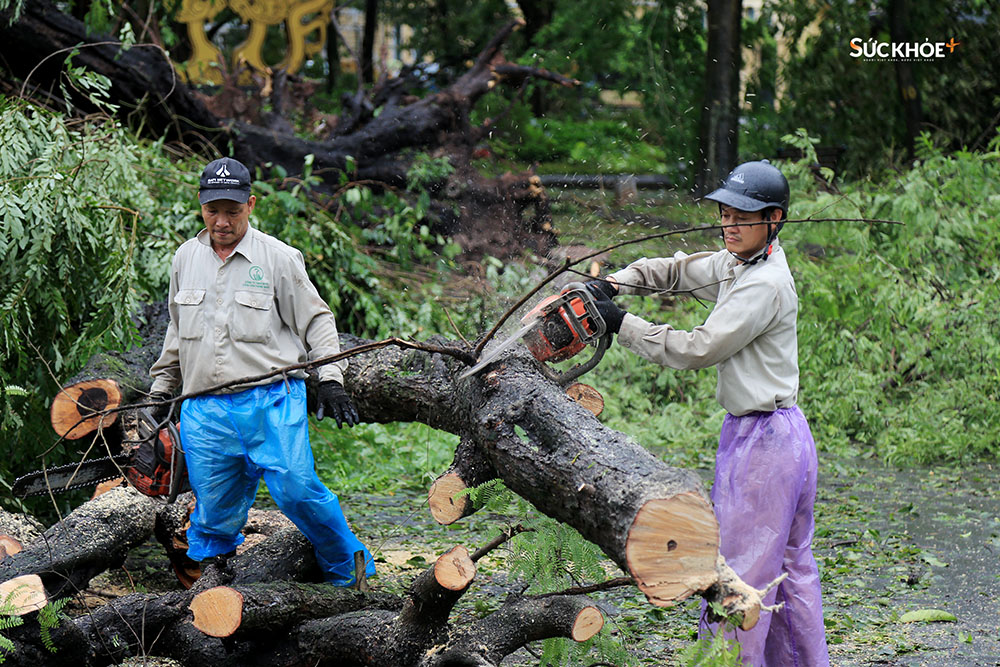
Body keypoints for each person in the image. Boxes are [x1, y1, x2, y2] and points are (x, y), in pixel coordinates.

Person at [586, 160, 829, 666]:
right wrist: (617, 283)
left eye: (743, 215)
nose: (730, 223)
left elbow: (698, 349)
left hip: (766, 445)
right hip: (777, 438)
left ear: (775, 219)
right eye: (724, 212)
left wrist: (623, 325)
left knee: (740, 577)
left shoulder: (765, 284)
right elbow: (676, 271)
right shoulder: (738, 261)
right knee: (788, 567)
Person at [148, 156, 375, 586]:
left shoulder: (277, 259)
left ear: (250, 205)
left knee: (296, 487)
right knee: (214, 507)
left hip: (271, 400)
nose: (222, 221)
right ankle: (212, 585)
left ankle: (350, 572)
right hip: (204, 408)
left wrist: (330, 379)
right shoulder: (185, 259)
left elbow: (317, 320)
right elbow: (176, 333)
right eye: (213, 210)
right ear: (201, 206)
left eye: (232, 211)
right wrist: (162, 390)